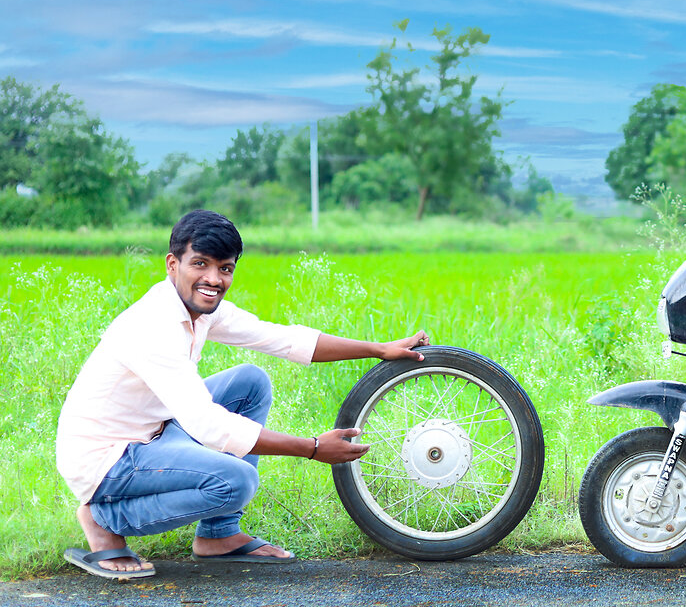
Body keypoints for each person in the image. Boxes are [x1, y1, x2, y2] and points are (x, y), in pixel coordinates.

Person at [55, 209, 430, 580]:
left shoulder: (199, 309)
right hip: (107, 460)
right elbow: (208, 425)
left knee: (250, 382)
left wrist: (378, 348)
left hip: (153, 430)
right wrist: (313, 448)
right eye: (199, 264)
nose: (213, 279)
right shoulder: (154, 325)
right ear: (173, 264)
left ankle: (219, 536)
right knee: (235, 482)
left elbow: (281, 338)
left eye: (225, 268)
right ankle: (103, 517)